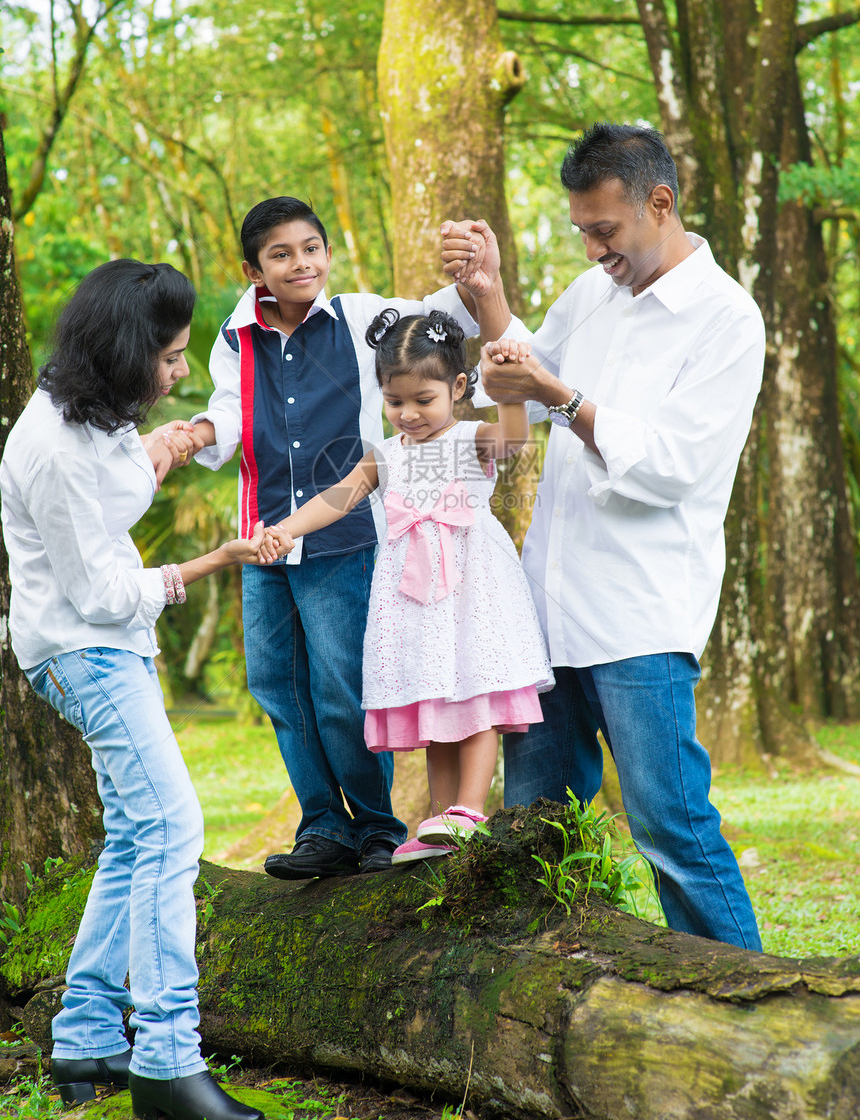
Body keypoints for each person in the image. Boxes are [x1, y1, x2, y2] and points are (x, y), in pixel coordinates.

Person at [441, 122, 766, 950]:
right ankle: (533, 992)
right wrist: (487, 294)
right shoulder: (593, 295)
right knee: (535, 824)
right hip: (546, 608)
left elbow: (674, 465)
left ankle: (747, 1002)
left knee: (671, 827)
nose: (591, 249)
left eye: (605, 230)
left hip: (640, 614)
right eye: (582, 230)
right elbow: (519, 372)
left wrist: (560, 393)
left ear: (660, 203)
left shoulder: (725, 319)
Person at [183, 196, 526, 879]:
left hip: (348, 541)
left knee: (342, 687)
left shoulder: (368, 320)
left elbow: (449, 321)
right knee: (278, 684)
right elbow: (228, 411)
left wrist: (475, 273)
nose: (300, 263)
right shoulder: (235, 335)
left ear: (327, 252)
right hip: (266, 534)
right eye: (281, 253)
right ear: (253, 268)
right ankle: (323, 825)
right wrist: (191, 433)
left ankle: (376, 827)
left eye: (311, 247)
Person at [0, 259, 267, 1120]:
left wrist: (175, 440)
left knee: (135, 835)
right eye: (170, 357)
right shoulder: (51, 451)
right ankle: (166, 1061)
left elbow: (114, 496)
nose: (179, 370)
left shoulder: (95, 412)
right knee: (173, 826)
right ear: (123, 354)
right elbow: (103, 593)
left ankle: (83, 1037)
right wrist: (203, 565)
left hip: (106, 644)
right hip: (86, 649)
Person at [262, 309, 553, 864]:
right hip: (412, 598)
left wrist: (510, 388)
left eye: (424, 399)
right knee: (435, 701)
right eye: (396, 402)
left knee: (474, 691)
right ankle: (441, 818)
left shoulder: (472, 438)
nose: (409, 414)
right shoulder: (386, 454)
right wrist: (284, 530)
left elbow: (516, 437)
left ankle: (470, 808)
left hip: (471, 589)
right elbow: (337, 497)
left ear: (458, 388)